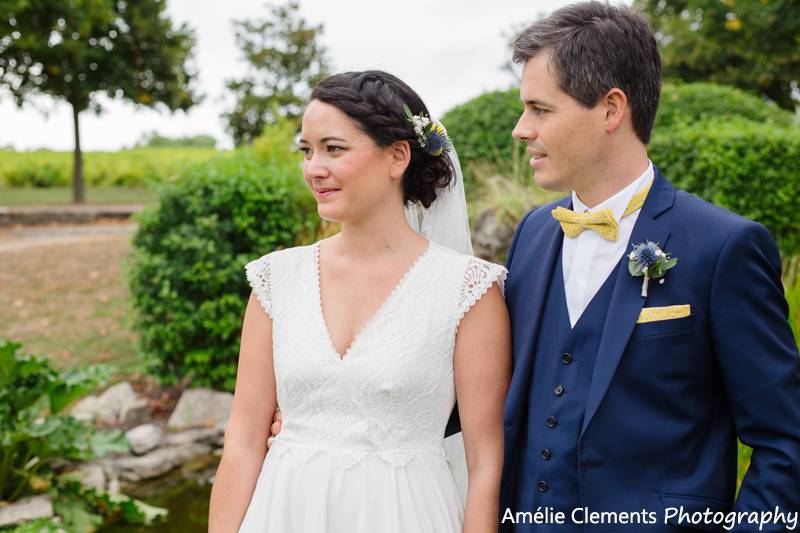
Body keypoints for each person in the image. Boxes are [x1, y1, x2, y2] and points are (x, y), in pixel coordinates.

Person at [500, 2, 800, 531]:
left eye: (540, 109)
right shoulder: (532, 234)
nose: (522, 129)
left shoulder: (724, 246)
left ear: (612, 109)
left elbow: (785, 440)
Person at [207, 70, 511, 533]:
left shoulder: (468, 290)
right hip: (284, 512)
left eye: (334, 148)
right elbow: (245, 440)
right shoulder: (276, 278)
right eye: (306, 151)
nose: (313, 168)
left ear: (397, 157)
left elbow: (485, 463)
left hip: (407, 514)